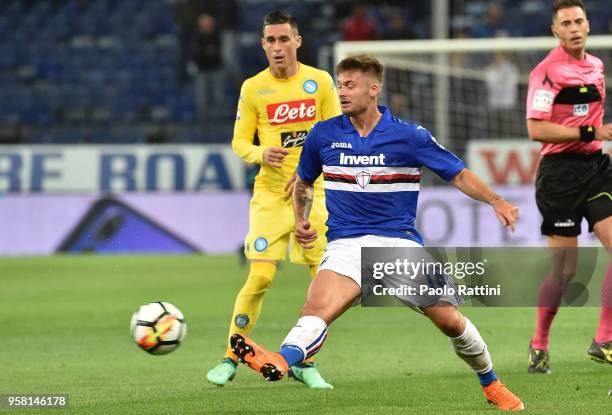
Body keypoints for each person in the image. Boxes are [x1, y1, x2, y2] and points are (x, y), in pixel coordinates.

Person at [230, 55, 525, 411]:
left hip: (398, 245)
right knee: (316, 309)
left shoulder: (409, 136)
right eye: (340, 84)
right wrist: (302, 219)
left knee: (450, 321)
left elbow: (458, 174)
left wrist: (495, 200)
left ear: (374, 89)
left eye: (350, 85)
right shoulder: (323, 135)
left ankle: (491, 382)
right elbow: (304, 184)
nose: (341, 92)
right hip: (345, 245)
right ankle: (280, 361)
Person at [206, 11, 341, 388]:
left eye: (284, 39)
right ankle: (232, 356)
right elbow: (238, 141)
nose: (278, 47)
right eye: (271, 40)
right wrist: (260, 154)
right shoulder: (253, 88)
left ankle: (304, 361)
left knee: (322, 285)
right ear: (263, 44)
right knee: (260, 276)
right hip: (270, 194)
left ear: (298, 41)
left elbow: (334, 135)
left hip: (313, 191)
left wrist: (308, 174)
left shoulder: (320, 82)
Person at [525, 0, 612, 373]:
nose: (574, 27)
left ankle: (604, 339)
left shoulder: (596, 66)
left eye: (579, 21)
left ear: (588, 25)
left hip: (596, 167)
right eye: (567, 23)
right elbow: (536, 129)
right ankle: (539, 342)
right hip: (558, 175)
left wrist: (595, 138)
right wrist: (591, 131)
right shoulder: (545, 73)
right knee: (564, 273)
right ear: (555, 31)